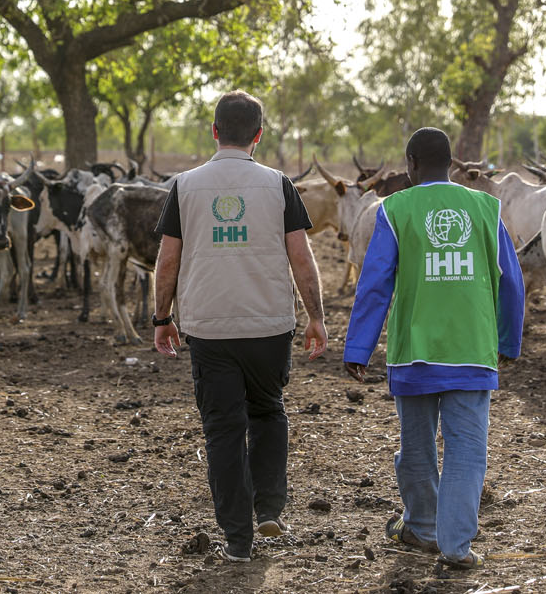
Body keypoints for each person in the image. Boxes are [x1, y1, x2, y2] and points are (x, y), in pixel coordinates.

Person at [152, 90, 328, 563]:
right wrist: (316, 317)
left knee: (222, 431)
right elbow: (301, 257)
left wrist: (162, 317)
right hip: (268, 324)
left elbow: (167, 261)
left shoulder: (184, 186)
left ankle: (237, 539)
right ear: (258, 135)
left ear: (214, 132)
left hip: (208, 327)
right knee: (268, 411)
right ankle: (268, 506)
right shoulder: (278, 185)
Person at [343, 127, 524, 571]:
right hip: (472, 350)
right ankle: (457, 546)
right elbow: (512, 283)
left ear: (410, 164)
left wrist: (358, 347)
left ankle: (422, 525)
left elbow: (375, 283)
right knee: (466, 450)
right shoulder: (485, 208)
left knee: (417, 447)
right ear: (452, 164)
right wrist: (507, 341)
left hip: (414, 351)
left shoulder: (396, 208)